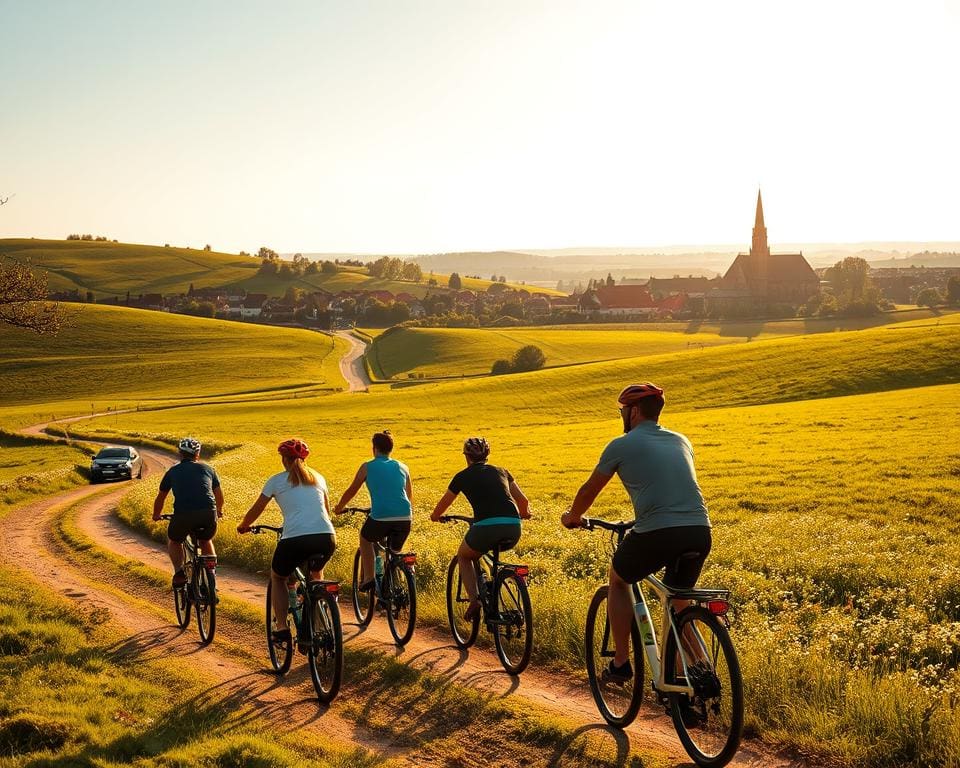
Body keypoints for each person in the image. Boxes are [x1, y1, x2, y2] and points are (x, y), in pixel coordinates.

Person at [561, 383, 712, 683]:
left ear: (633, 412)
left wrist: (573, 517)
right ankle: (694, 675)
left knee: (618, 579)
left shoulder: (622, 444)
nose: (622, 415)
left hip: (658, 531)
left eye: (623, 410)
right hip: (699, 529)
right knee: (679, 603)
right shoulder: (682, 440)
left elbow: (590, 489)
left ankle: (620, 662)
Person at [236, 438, 336, 643]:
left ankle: (281, 627)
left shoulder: (276, 480)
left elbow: (257, 508)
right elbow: (325, 511)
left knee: (279, 577)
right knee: (315, 575)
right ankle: (317, 617)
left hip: (295, 539)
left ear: (284, 459)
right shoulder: (319, 478)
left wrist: (244, 525)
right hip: (326, 537)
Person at [431, 437, 530, 621]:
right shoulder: (502, 471)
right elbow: (523, 501)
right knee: (492, 555)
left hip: (485, 529)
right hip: (513, 528)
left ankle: (474, 601)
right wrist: (524, 514)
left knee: (464, 555)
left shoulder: (462, 476)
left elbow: (443, 504)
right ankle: (498, 587)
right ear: (487, 455)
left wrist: (435, 516)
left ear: (466, 457)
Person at [332, 430, 413, 591]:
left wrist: (339, 508)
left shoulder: (367, 467)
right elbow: (409, 496)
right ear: (391, 449)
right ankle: (397, 586)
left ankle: (369, 578)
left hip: (381, 516)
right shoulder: (403, 467)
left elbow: (351, 490)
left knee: (365, 539)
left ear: (374, 448)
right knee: (395, 553)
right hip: (405, 517)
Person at [152, 436, 223, 588]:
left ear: (180, 453)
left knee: (175, 541)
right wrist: (219, 510)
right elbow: (218, 495)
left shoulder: (173, 471)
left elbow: (161, 497)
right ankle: (211, 574)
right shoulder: (209, 469)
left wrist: (156, 515)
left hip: (183, 514)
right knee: (205, 540)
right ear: (198, 453)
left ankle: (179, 573)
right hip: (208, 513)